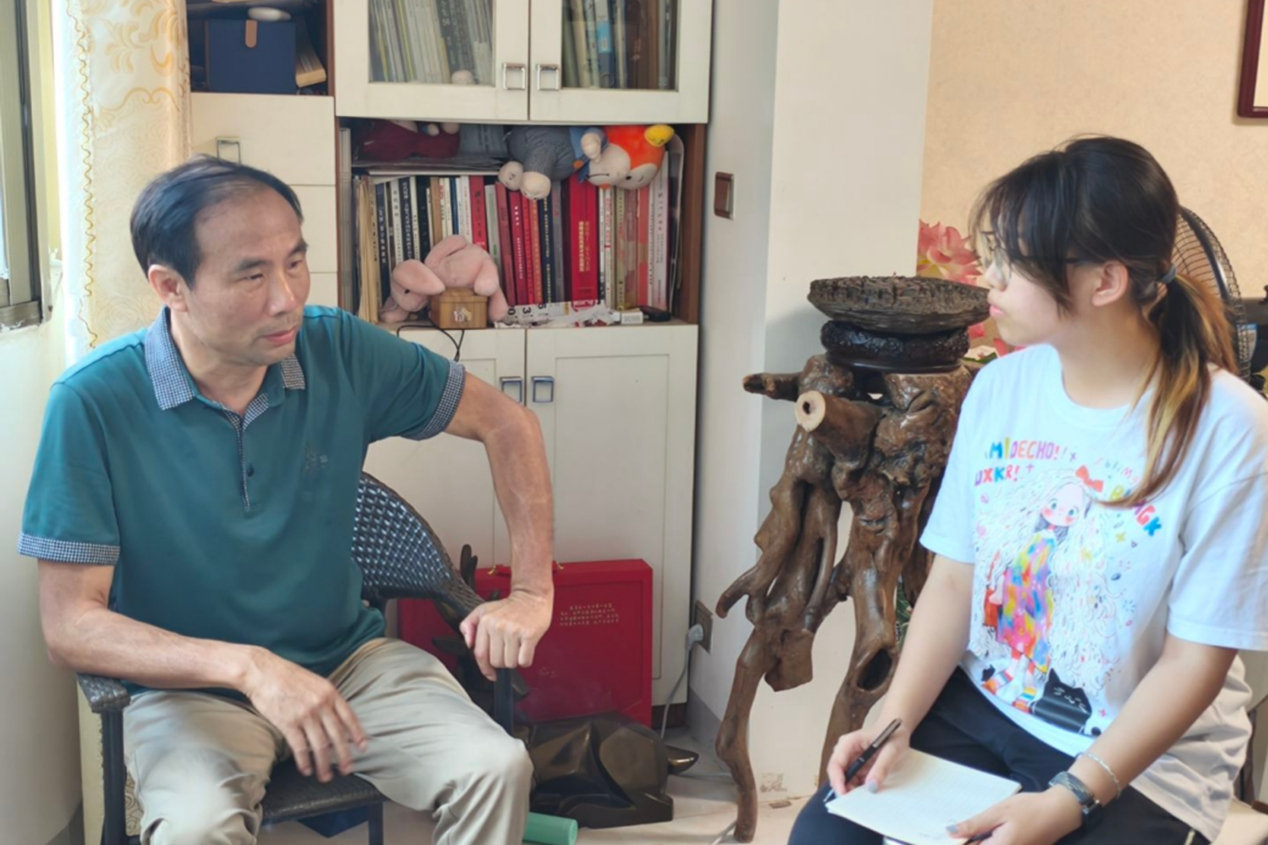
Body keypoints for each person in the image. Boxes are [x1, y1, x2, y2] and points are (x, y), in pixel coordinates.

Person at [22, 156, 554, 845]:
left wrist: (533, 590)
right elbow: (70, 626)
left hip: (350, 664)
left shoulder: (337, 347)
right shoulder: (92, 401)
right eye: (252, 275)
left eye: (295, 263)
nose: (286, 299)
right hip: (190, 693)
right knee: (194, 829)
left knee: (497, 768)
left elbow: (507, 423)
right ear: (171, 286)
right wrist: (249, 667)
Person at [789, 136, 1268, 845]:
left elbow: (1194, 661)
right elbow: (955, 581)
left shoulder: (1230, 429)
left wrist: (1070, 798)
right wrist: (894, 720)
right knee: (825, 836)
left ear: (1105, 281)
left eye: (1013, 262)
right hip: (989, 707)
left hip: (1146, 757)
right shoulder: (1001, 388)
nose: (989, 277)